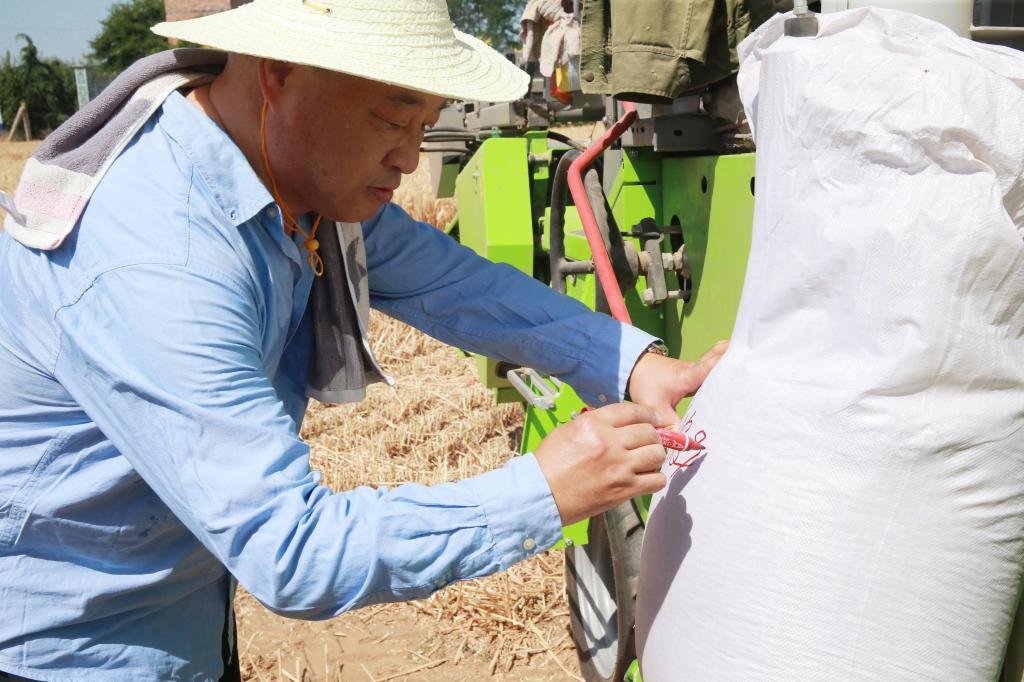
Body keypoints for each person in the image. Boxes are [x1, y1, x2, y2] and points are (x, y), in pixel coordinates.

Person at [0, 1, 725, 679]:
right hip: (70, 648)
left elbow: (452, 282)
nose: (410, 159)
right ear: (279, 73)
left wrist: (628, 361)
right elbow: (294, 552)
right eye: (392, 119)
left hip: (179, 610)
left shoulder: (284, 175)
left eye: (426, 124)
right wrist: (543, 489)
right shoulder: (163, 258)